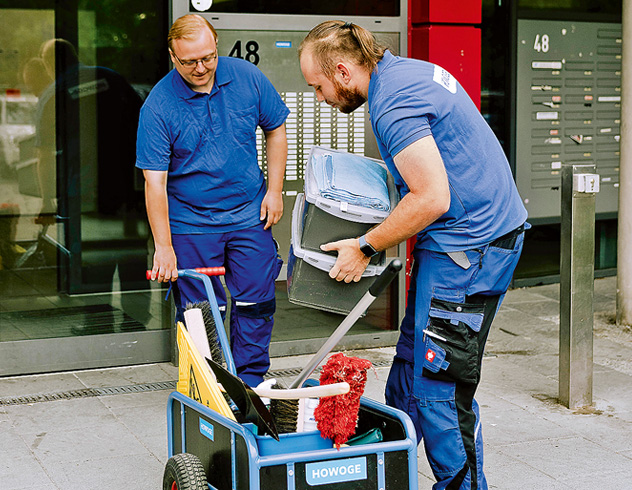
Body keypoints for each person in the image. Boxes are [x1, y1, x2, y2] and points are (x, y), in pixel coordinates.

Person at [299, 21, 528, 490]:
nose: (320, 97)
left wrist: (365, 246)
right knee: (408, 369)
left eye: (318, 86)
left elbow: (431, 198)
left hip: (470, 248)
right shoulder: (403, 72)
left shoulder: (393, 102)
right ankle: (389, 474)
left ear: (341, 70)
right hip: (458, 241)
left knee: (437, 386)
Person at [136, 14, 289, 387]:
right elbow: (154, 182)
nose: (201, 68)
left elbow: (276, 128)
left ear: (216, 45)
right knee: (201, 312)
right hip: (191, 223)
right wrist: (163, 246)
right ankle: (208, 385)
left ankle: (250, 382)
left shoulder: (247, 77)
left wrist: (274, 190)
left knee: (257, 302)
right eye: (189, 62)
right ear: (173, 57)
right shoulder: (158, 106)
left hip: (249, 215)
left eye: (208, 57)